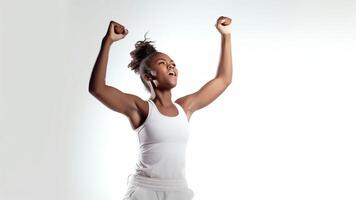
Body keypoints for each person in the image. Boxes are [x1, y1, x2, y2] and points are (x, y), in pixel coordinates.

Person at [89, 16, 233, 200]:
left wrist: (226, 36)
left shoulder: (185, 107)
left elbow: (223, 80)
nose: (171, 65)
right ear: (149, 77)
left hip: (178, 190)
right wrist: (107, 42)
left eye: (172, 63)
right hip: (144, 191)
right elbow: (97, 88)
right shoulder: (140, 108)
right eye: (163, 63)